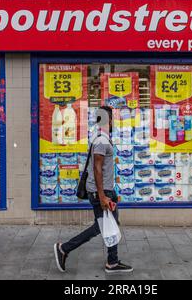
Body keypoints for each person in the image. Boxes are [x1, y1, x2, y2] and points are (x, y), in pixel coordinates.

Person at [54, 105, 133, 274]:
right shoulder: (101, 141)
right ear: (109, 120)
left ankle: (112, 261)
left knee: (111, 224)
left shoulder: (99, 137)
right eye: (113, 119)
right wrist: (103, 196)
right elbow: (97, 168)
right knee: (102, 226)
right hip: (101, 192)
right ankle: (64, 248)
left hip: (103, 190)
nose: (114, 123)